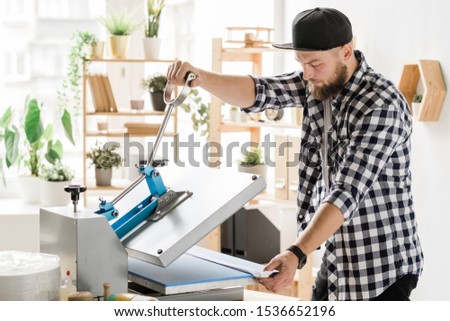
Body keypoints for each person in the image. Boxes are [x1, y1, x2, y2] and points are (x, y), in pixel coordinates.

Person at [167, 7, 424, 301]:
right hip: (338, 258)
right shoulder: (319, 82)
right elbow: (260, 91)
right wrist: (200, 78)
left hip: (381, 268)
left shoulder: (381, 104)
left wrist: (296, 253)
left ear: (346, 51)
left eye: (314, 63)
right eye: (301, 63)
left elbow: (346, 192)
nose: (306, 73)